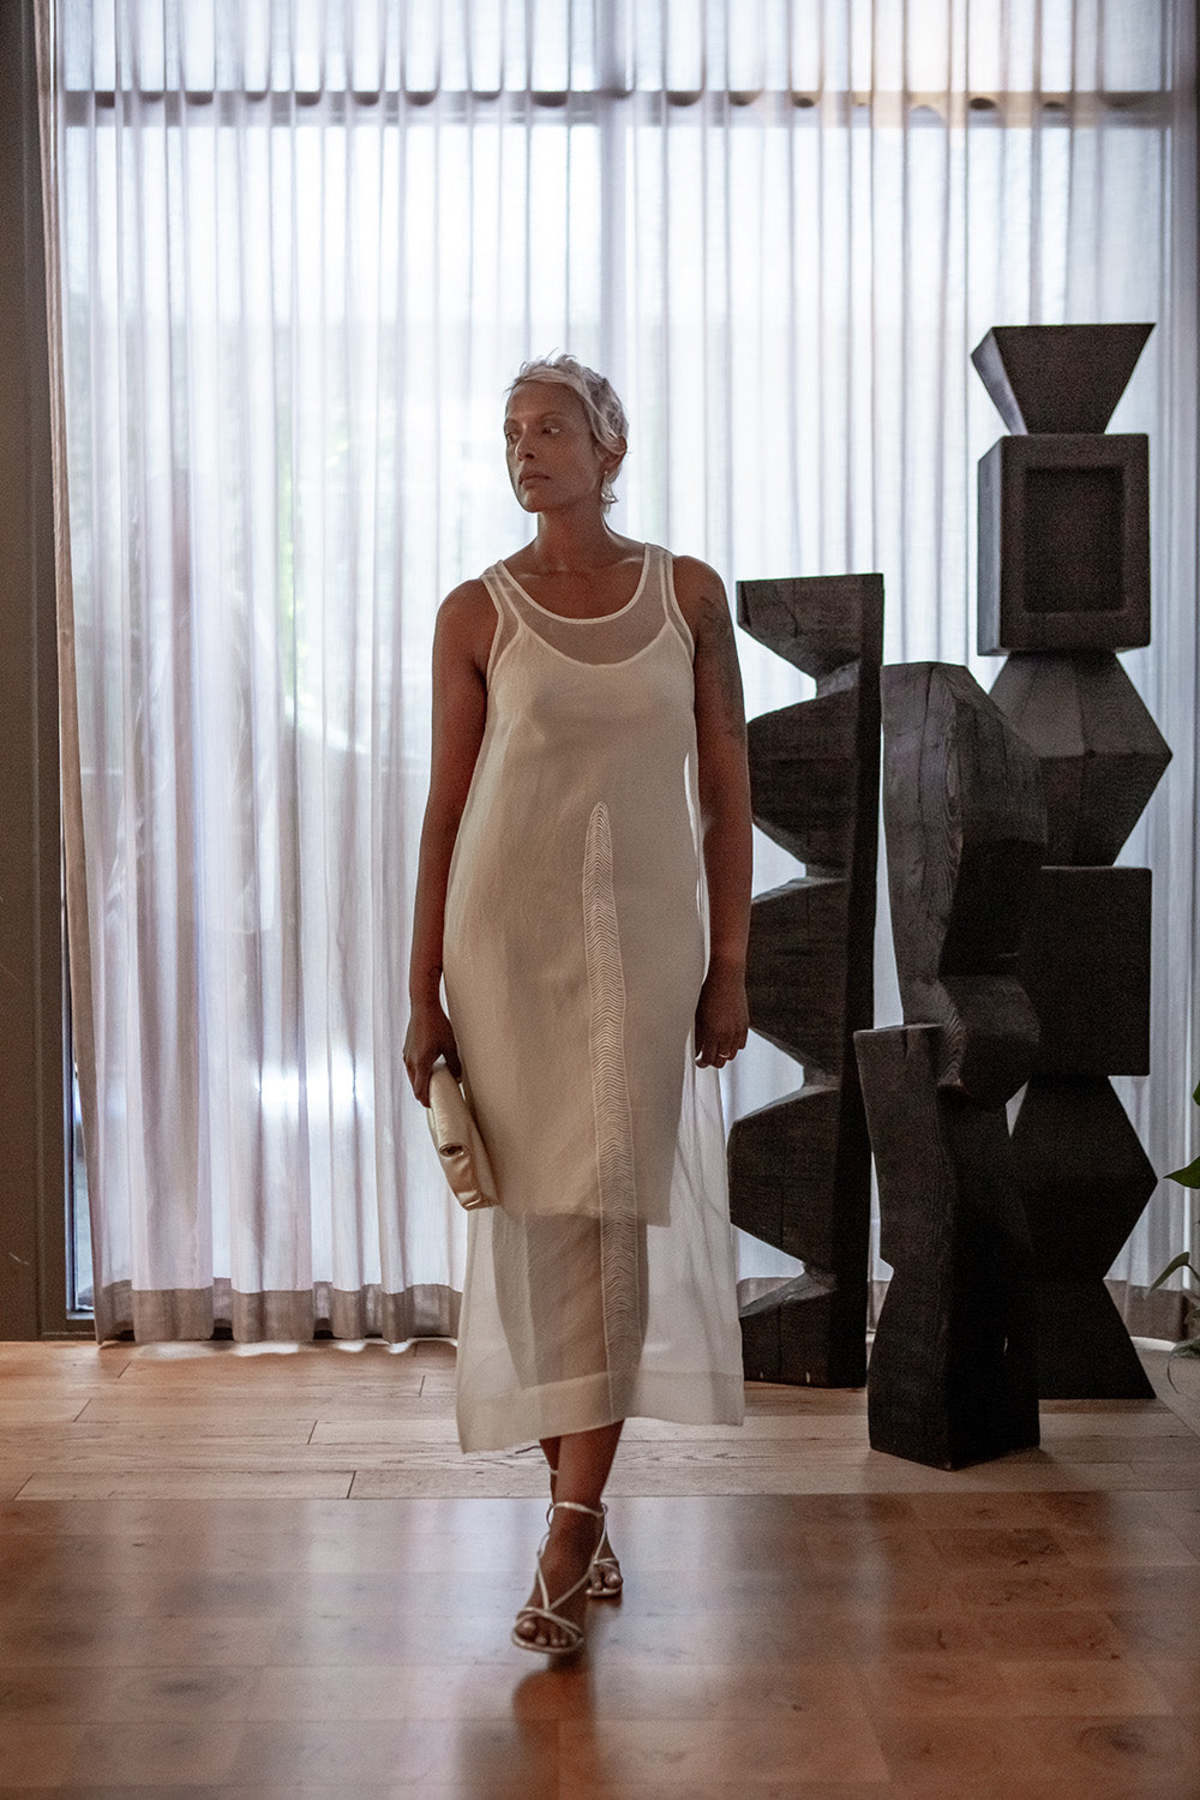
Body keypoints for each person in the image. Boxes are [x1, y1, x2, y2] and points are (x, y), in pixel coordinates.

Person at [403, 354, 751, 1658]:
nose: (525, 449)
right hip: (505, 945)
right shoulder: (475, 612)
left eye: (550, 427)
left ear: (612, 447)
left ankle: (568, 1526)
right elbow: (445, 814)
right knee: (541, 1230)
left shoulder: (689, 596)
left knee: (616, 1213)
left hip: (649, 950)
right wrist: (421, 989)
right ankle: (580, 1513)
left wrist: (732, 964)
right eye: (511, 432)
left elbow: (728, 791)